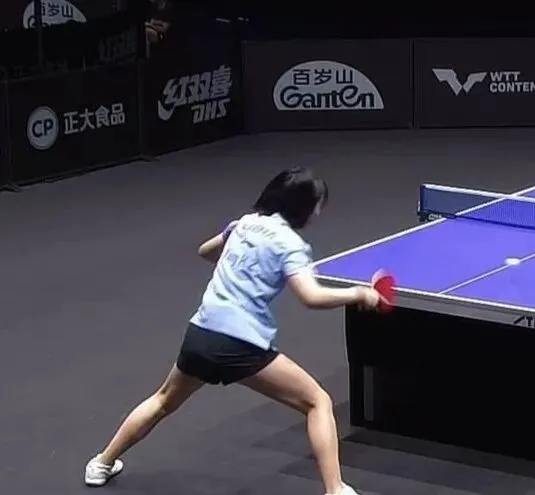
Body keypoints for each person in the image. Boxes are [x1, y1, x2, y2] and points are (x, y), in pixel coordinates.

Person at [83, 167, 384, 495]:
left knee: (163, 400)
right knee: (317, 402)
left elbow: (205, 251)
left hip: (201, 333)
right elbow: (311, 297)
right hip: (241, 345)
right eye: (317, 205)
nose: (318, 212)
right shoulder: (291, 245)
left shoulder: (243, 224)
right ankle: (335, 490)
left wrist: (239, 256)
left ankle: (101, 463)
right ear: (303, 207)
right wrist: (359, 294)